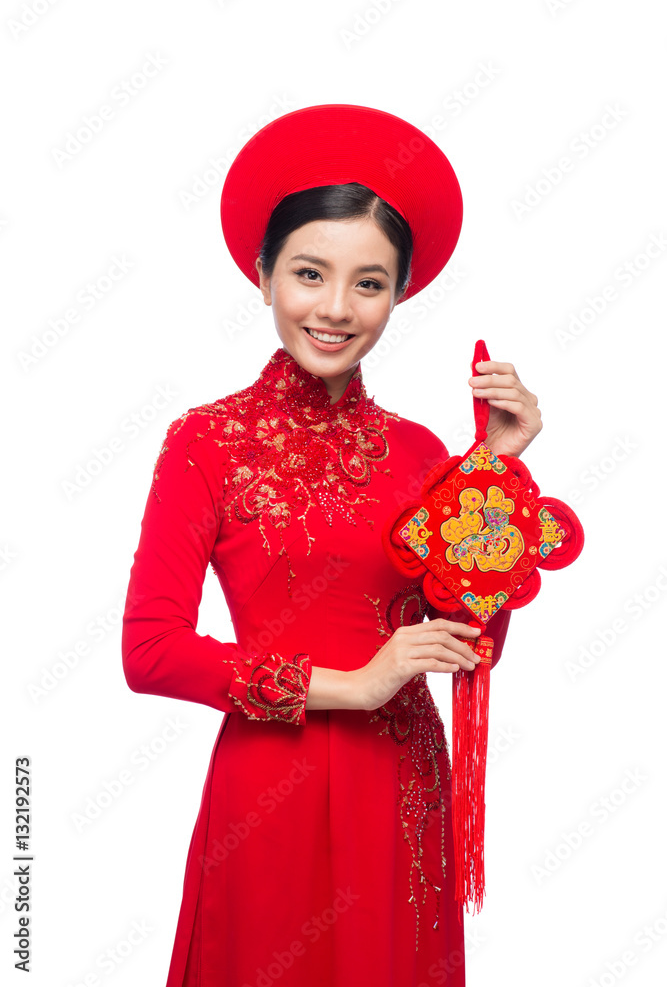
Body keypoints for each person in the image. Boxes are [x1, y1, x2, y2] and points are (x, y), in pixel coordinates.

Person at [121, 104, 543, 987]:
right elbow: (151, 651)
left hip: (400, 788)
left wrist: (494, 475)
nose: (335, 309)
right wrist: (355, 684)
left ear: (397, 295)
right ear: (264, 273)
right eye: (310, 273)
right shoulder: (206, 441)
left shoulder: (426, 455)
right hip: (266, 786)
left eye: (369, 283)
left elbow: (473, 643)